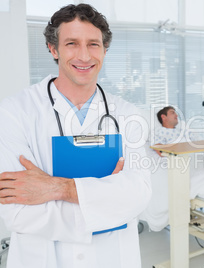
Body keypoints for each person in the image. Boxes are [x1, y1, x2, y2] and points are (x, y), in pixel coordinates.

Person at [0, 4, 151, 268]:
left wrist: (57, 188)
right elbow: (17, 212)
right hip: (43, 259)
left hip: (113, 258)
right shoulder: (14, 111)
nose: (84, 56)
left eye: (93, 44)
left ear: (104, 50)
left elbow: (138, 195)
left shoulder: (128, 113)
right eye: (72, 43)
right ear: (53, 49)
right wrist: (107, 201)